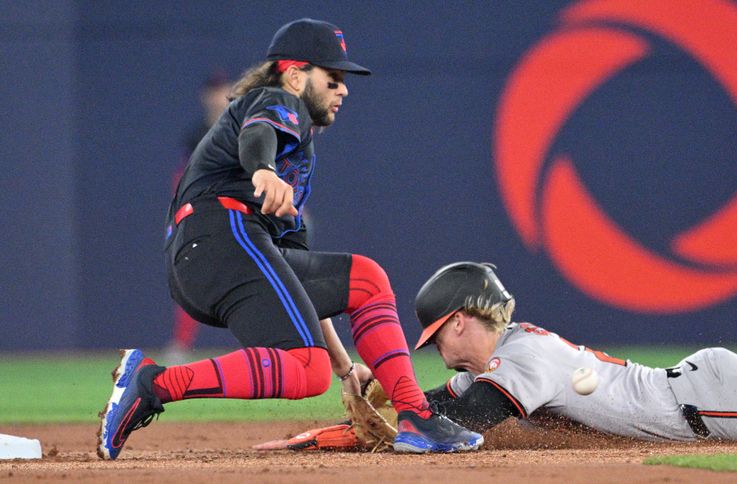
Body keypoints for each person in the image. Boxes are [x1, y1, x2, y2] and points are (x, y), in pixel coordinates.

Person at [97, 18, 483, 460]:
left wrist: (344, 368)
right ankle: (154, 383)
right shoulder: (279, 99)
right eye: (333, 79)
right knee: (306, 366)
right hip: (219, 236)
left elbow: (297, 285)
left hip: (220, 253)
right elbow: (258, 133)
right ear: (297, 74)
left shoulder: (299, 158)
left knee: (363, 285)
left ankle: (415, 415)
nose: (344, 90)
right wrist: (262, 168)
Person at [411, 261, 737, 442]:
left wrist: (389, 425)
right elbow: (429, 403)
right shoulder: (494, 365)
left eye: (435, 334)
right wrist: (377, 387)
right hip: (697, 401)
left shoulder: (523, 356)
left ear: (458, 321)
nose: (433, 346)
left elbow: (466, 418)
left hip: (707, 401)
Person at [163, 70, 233, 365]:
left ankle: (273, 343)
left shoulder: (241, 125)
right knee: (191, 278)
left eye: (222, 89)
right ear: (206, 96)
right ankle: (181, 345)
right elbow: (182, 178)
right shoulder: (197, 133)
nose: (217, 95)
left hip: (239, 212)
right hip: (203, 215)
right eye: (213, 90)